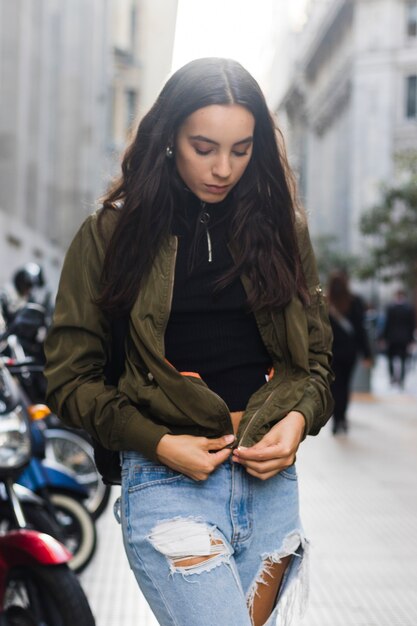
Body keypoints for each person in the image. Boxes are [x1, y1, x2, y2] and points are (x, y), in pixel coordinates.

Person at [44, 58, 334, 626]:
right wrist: (156, 442)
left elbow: (317, 361)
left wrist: (297, 423)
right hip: (168, 481)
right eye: (204, 147)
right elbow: (69, 379)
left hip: (270, 485)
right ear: (170, 137)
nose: (223, 168)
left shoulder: (282, 231)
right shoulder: (109, 234)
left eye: (242, 149)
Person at [327, 270, 372, 434]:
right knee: (345, 385)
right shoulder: (355, 302)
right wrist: (367, 354)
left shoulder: (325, 302)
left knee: (334, 386)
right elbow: (361, 330)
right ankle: (342, 417)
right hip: (350, 352)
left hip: (330, 353)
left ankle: (335, 419)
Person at [382, 289, 415, 388]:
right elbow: (411, 325)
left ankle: (393, 377)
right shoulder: (408, 308)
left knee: (391, 358)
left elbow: (386, 324)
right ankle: (401, 378)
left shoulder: (390, 308)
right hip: (404, 338)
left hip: (392, 338)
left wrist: (383, 337)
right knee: (404, 360)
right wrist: (411, 339)